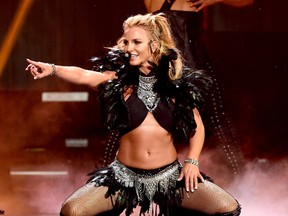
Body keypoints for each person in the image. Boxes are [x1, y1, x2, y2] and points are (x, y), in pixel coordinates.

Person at [26, 13, 241, 216]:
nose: (129, 48)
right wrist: (52, 68)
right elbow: (83, 74)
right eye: (126, 42)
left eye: (136, 42)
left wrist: (192, 161)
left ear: (154, 46)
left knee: (226, 207)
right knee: (73, 210)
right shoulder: (118, 83)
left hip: (169, 177)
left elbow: (197, 127)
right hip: (123, 178)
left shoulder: (177, 87)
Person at [143, 0, 254, 174]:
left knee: (216, 119)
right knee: (140, 117)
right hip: (158, 61)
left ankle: (241, 178)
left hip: (192, 60)